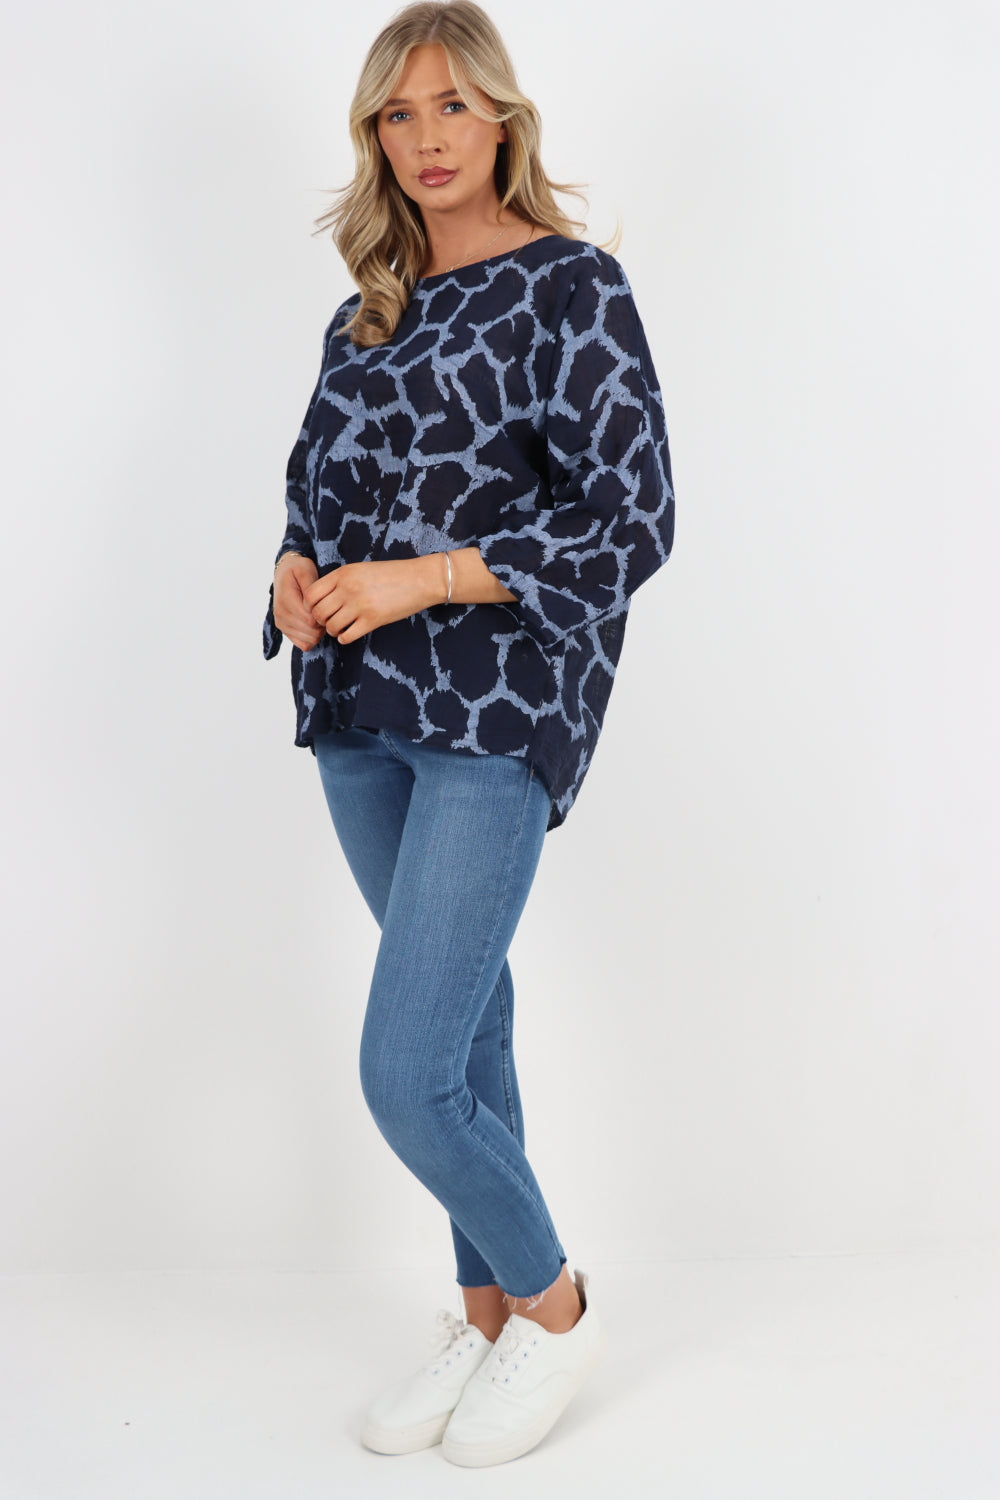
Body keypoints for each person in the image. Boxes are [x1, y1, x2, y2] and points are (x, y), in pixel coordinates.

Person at [263, 0, 674, 1468]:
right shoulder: (364, 313)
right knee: (469, 1026)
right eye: (399, 113)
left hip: (495, 711)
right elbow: (314, 487)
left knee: (407, 1068)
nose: (428, 138)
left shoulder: (573, 288)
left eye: (452, 105)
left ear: (503, 115)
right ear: (374, 138)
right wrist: (294, 573)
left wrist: (424, 578)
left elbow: (634, 518)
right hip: (357, 709)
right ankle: (486, 1315)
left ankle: (555, 1307)